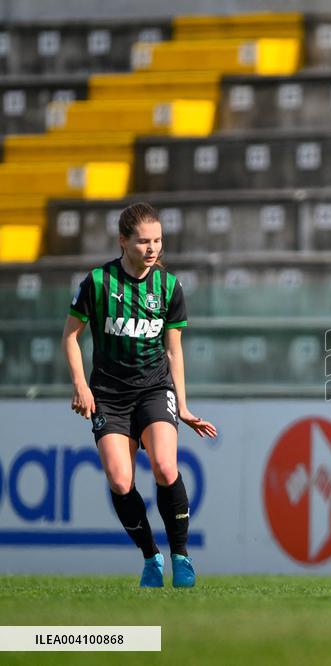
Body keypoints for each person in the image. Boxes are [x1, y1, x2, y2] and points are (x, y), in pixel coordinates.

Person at [62, 202, 217, 588]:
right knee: (119, 480)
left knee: (165, 467)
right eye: (144, 241)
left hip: (153, 387)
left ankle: (181, 556)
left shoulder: (169, 286)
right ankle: (151, 557)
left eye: (158, 241)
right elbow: (70, 335)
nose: (152, 248)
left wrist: (181, 405)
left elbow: (174, 349)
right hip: (109, 395)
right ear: (123, 241)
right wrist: (81, 385)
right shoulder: (97, 283)